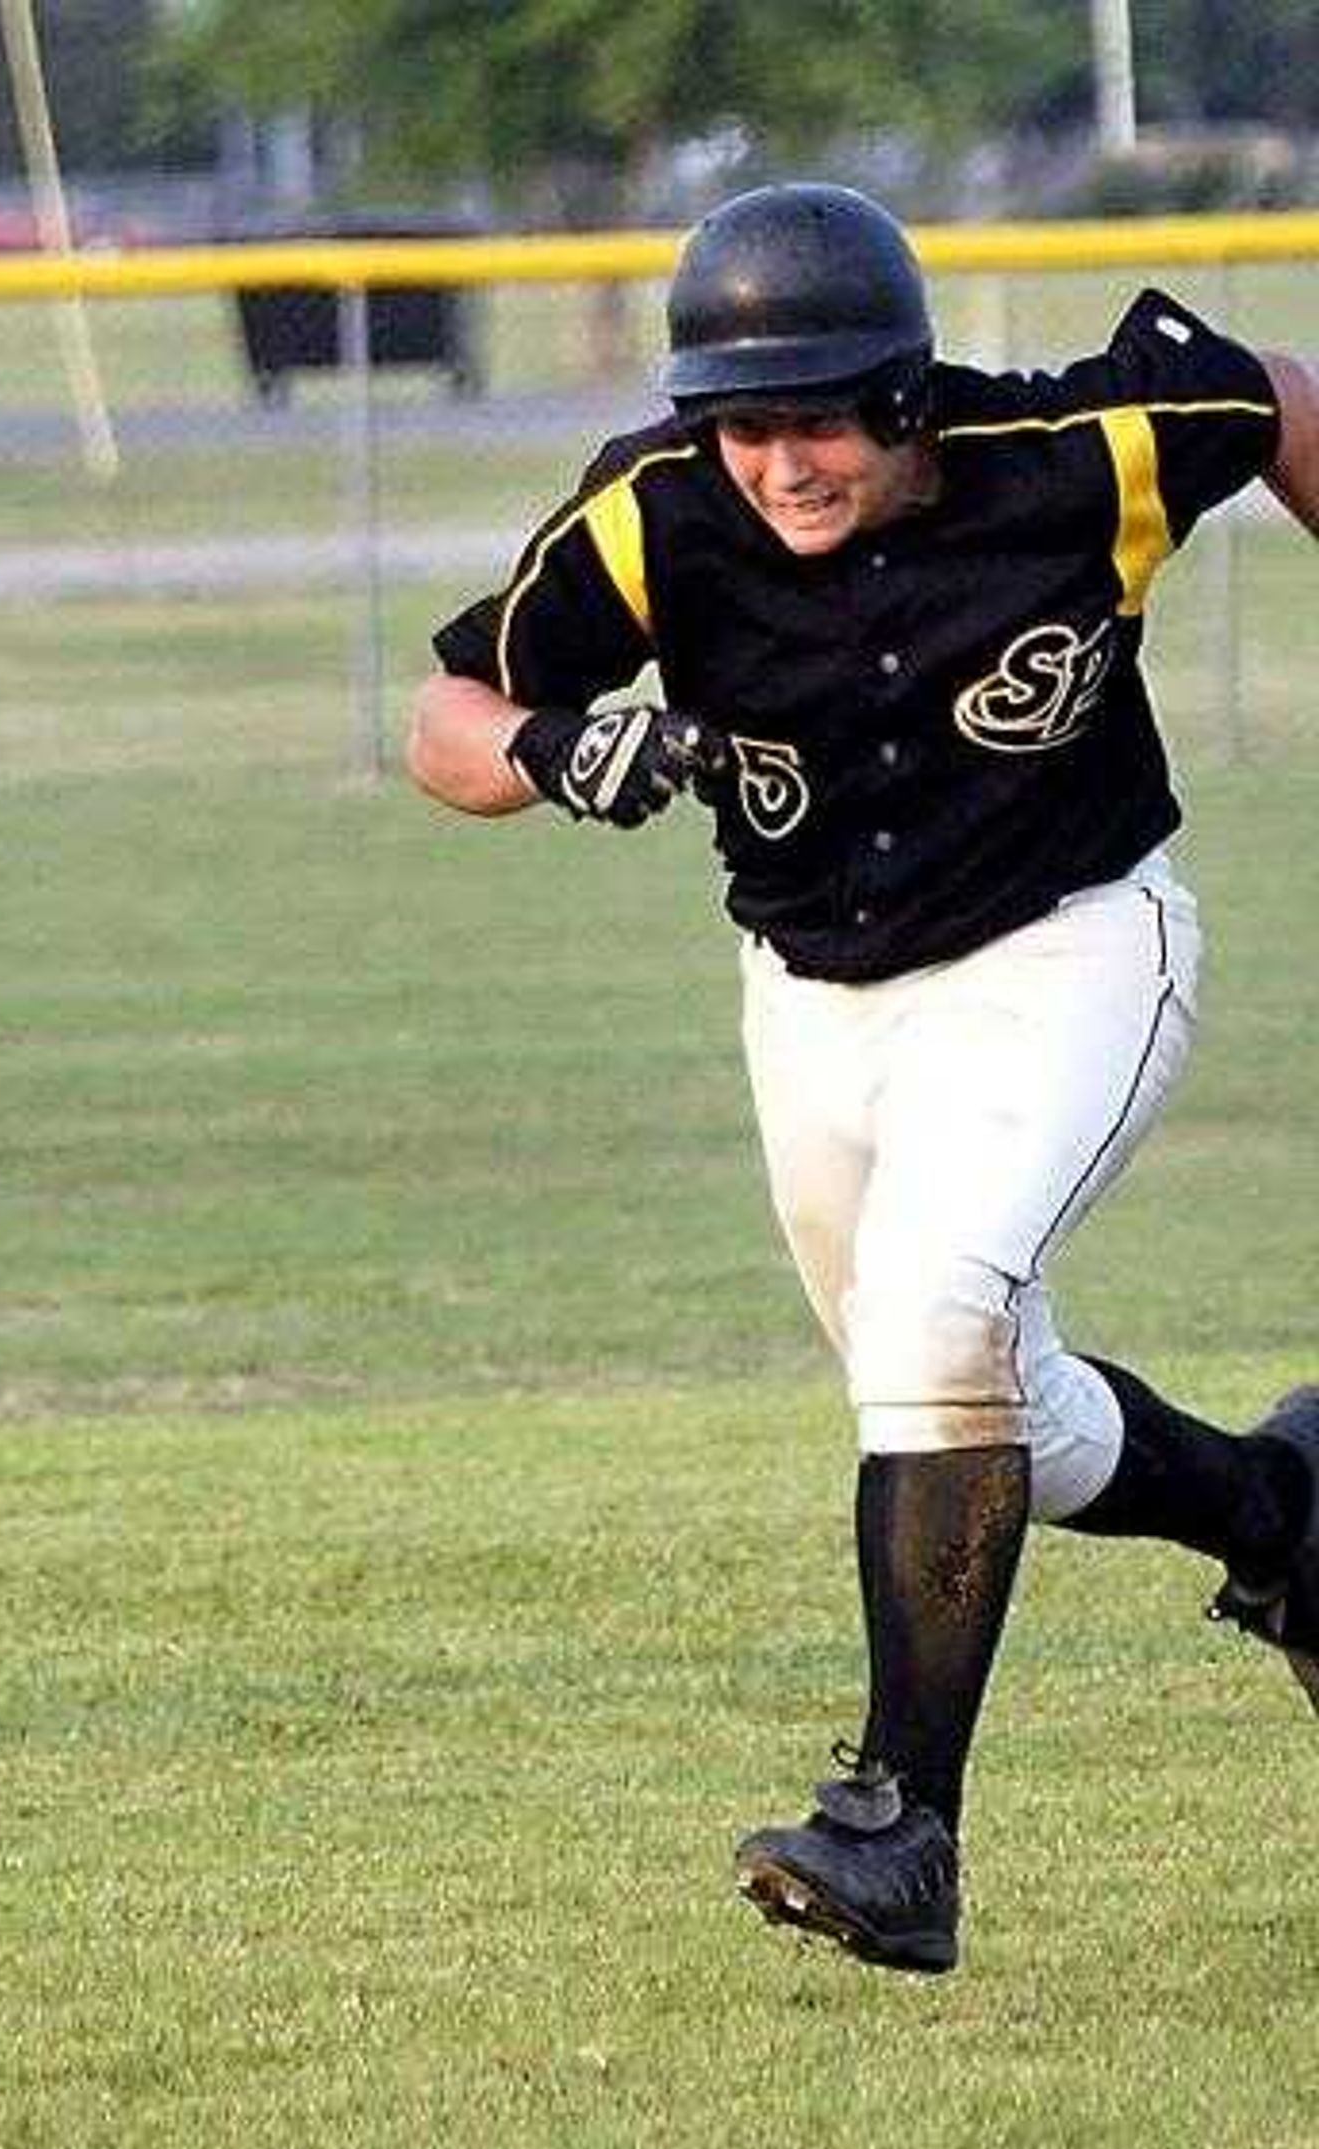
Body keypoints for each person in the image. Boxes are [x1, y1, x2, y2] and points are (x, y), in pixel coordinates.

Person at [406, 183, 1319, 1974]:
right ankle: (1289, 1515)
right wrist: (547, 747)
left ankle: (902, 1831)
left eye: (819, 411)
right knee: (980, 1402)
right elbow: (447, 716)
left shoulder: (1078, 451)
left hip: (1071, 943)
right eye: (744, 421)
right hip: (817, 1000)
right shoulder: (655, 517)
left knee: (936, 1317)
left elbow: (1278, 395)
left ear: (905, 395)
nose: (781, 459)